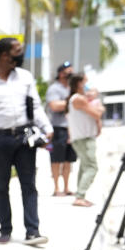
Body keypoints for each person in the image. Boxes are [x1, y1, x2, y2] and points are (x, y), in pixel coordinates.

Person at [0, 37, 52, 246]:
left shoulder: (25, 77)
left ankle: (33, 231)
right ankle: (5, 229)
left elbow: (36, 106)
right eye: (17, 50)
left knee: (29, 185)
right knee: (1, 186)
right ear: (4, 55)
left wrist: (47, 128)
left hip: (24, 138)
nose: (21, 53)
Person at [66, 73, 104, 207]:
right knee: (92, 167)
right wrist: (99, 107)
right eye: (86, 82)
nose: (88, 85)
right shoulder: (78, 99)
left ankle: (80, 195)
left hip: (84, 137)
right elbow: (97, 113)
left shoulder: (78, 99)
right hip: (84, 138)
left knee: (84, 167)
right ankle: (80, 196)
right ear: (79, 84)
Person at [45, 61, 76, 197]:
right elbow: (54, 106)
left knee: (69, 160)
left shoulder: (71, 89)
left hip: (72, 129)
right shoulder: (54, 88)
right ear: (61, 73)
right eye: (68, 71)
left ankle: (67, 187)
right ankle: (57, 188)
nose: (70, 73)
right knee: (56, 159)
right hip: (57, 129)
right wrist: (72, 102)